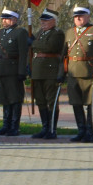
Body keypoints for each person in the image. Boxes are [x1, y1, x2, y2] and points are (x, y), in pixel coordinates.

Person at [63, 5, 93, 143]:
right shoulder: (69, 32)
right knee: (76, 103)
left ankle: (89, 131)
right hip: (72, 73)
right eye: (76, 16)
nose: (78, 18)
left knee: (90, 105)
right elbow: (63, 55)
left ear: (88, 16)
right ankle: (81, 130)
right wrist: (61, 73)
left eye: (81, 15)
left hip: (89, 73)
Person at [0, 7, 28, 137]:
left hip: (13, 71)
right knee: (4, 99)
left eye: (7, 18)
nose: (4, 21)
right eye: (3, 19)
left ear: (14, 19)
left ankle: (14, 127)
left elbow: (23, 54)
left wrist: (22, 71)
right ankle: (5, 126)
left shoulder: (20, 32)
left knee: (14, 99)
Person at [30, 8, 65, 139]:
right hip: (38, 71)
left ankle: (52, 129)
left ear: (54, 21)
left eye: (46, 20)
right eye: (42, 20)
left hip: (51, 70)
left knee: (51, 101)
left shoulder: (57, 33)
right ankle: (45, 127)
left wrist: (33, 43)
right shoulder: (40, 33)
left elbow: (50, 47)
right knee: (40, 100)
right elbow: (38, 48)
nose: (42, 23)